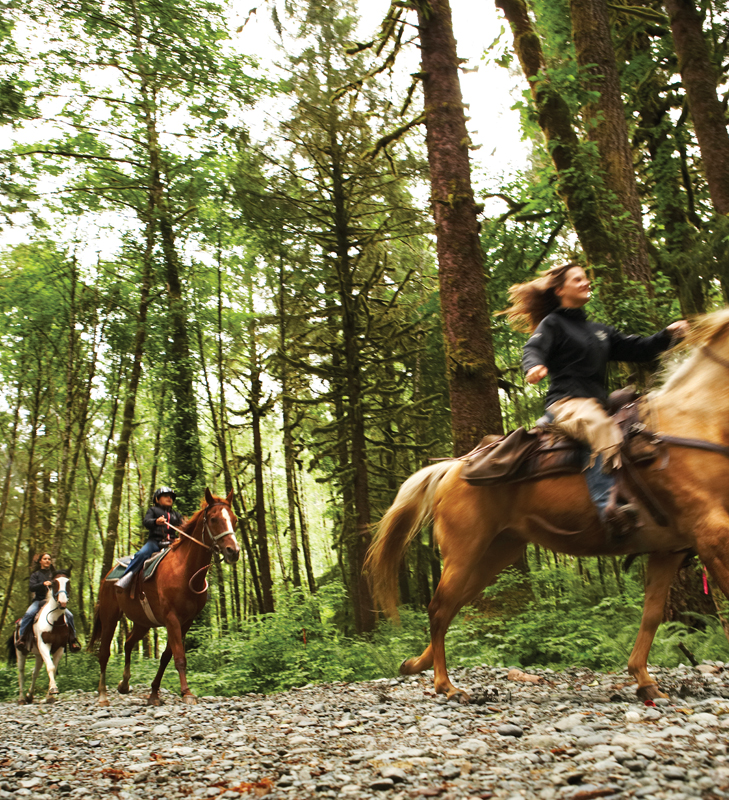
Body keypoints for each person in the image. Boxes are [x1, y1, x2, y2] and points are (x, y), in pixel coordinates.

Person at [505, 263, 689, 535]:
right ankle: (610, 511)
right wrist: (533, 366)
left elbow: (638, 348)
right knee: (601, 427)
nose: (586, 282)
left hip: (598, 405)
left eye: (585, 278)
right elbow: (534, 347)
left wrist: (667, 335)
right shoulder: (553, 323)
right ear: (560, 290)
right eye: (578, 279)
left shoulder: (600, 330)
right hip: (566, 404)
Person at [115, 487, 183, 592]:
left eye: (171, 497)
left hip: (172, 543)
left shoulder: (176, 515)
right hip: (155, 542)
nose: (169, 498)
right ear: (157, 499)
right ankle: (126, 578)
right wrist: (156, 521)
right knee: (141, 554)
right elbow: (146, 522)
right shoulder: (153, 510)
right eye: (165, 496)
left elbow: (183, 526)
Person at [17, 552, 80, 653]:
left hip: (53, 602)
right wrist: (42, 584)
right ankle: (22, 639)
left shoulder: (54, 574)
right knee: (29, 614)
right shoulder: (35, 574)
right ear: (40, 561)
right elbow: (31, 587)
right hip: (39, 601)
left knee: (70, 616)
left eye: (49, 559)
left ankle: (72, 640)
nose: (47, 561)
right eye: (45, 559)